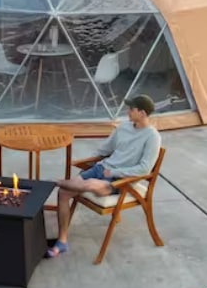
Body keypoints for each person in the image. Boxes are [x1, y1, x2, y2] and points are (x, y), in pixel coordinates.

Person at [46, 94, 161, 258]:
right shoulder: (123, 127)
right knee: (64, 193)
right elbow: (105, 150)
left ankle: (55, 182)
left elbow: (144, 169)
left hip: (119, 180)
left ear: (142, 113)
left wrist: (114, 173)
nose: (128, 112)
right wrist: (88, 162)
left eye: (131, 109)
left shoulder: (152, 137)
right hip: (101, 168)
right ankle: (62, 241)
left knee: (88, 184)